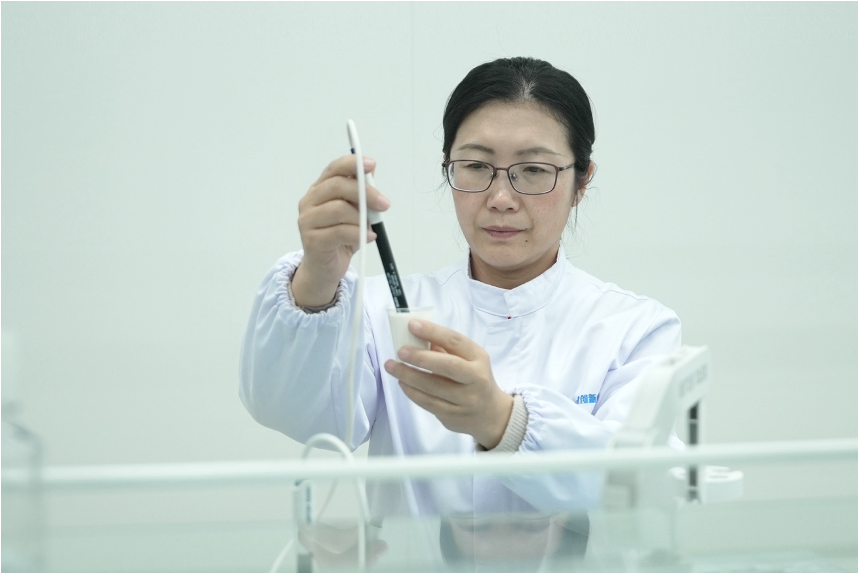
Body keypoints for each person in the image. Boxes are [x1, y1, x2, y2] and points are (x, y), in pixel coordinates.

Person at [239, 57, 681, 519]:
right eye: (475, 165)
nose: (501, 198)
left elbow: (643, 490)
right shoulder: (379, 308)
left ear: (581, 182)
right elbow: (295, 414)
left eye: (534, 170)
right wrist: (316, 277)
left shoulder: (635, 329)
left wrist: (503, 422)